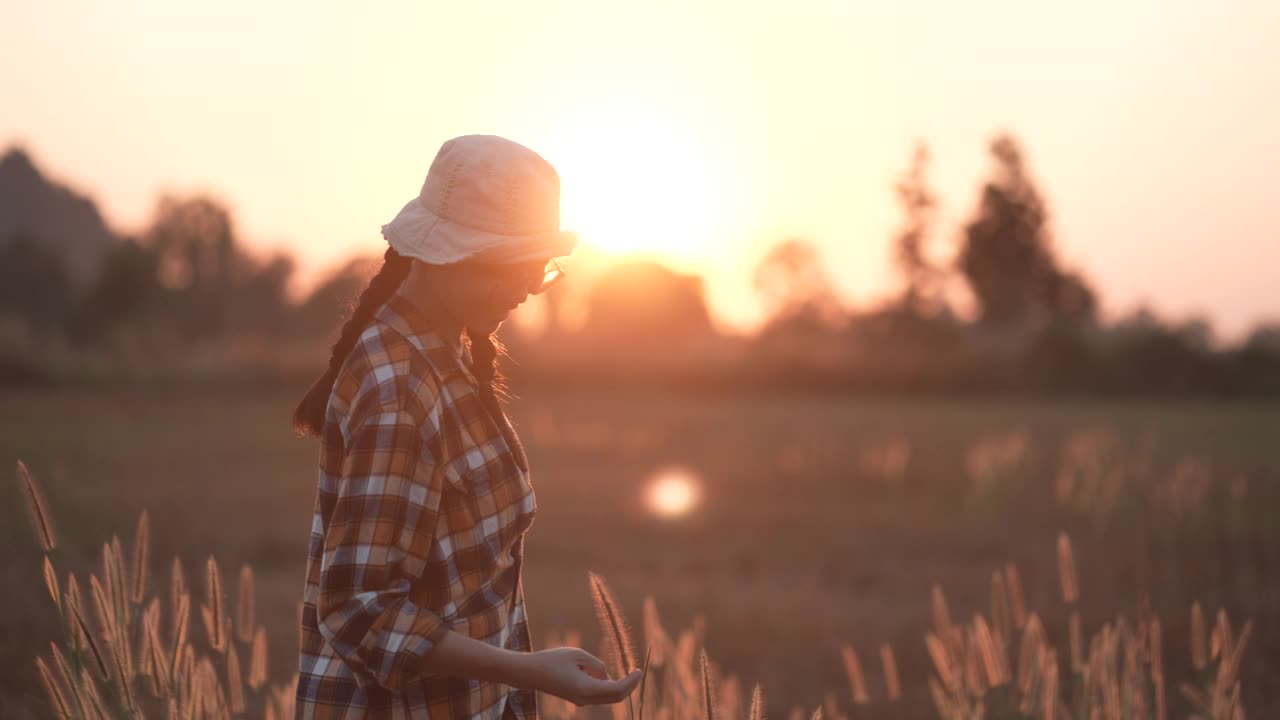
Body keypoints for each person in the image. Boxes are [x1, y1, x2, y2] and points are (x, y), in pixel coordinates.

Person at [291, 134, 643, 719]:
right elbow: (360, 611)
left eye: (540, 267)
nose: (531, 287)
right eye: (518, 264)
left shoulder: (444, 352)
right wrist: (530, 671)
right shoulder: (397, 387)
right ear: (453, 256)